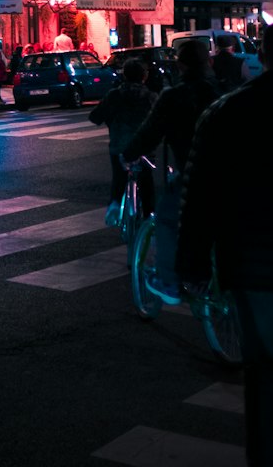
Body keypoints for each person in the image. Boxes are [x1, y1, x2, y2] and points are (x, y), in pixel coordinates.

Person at [177, 23, 273, 467]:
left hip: (257, 267)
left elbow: (202, 191)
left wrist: (191, 262)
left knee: (266, 385)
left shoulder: (230, 113)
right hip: (255, 264)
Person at [121, 40, 221, 303]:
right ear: (208, 63)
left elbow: (148, 134)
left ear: (180, 65)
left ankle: (169, 282)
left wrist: (128, 154)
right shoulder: (223, 91)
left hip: (194, 174)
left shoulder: (174, 97)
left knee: (166, 218)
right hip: (232, 173)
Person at [88, 58, 155, 225]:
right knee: (147, 182)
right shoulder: (150, 96)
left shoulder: (114, 95)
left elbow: (95, 116)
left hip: (120, 144)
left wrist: (110, 119)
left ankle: (115, 204)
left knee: (119, 177)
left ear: (124, 75)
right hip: (143, 147)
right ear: (144, 76)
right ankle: (149, 218)